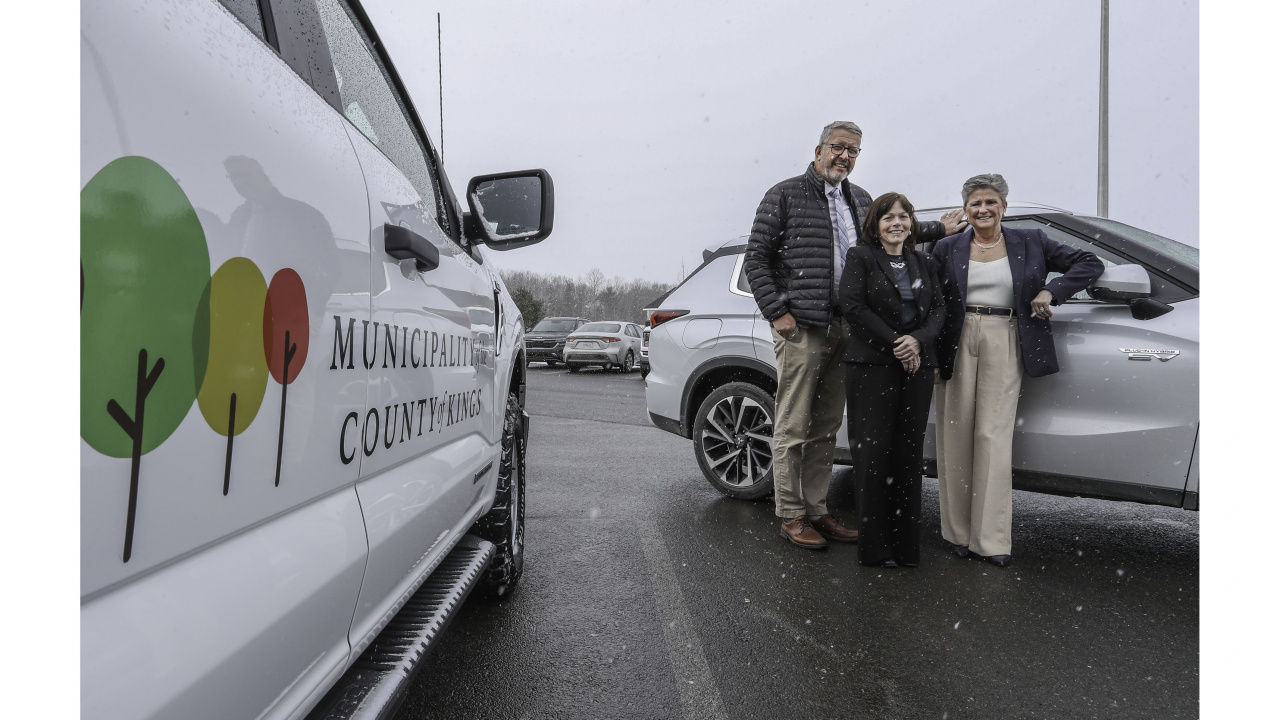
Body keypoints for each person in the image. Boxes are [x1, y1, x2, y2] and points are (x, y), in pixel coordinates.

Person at [743, 121, 964, 550]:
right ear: (819, 149)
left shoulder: (859, 198)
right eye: (838, 148)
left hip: (850, 328)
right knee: (792, 425)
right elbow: (757, 258)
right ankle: (791, 514)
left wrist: (941, 229)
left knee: (826, 426)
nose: (845, 156)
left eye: (854, 151)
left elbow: (891, 231)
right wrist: (777, 312)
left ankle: (818, 509)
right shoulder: (784, 194)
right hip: (803, 327)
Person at [931, 174, 1104, 567]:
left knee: (991, 434)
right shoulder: (946, 246)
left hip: (1006, 334)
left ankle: (989, 539)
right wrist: (929, 355)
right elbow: (930, 300)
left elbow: (1088, 262)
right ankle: (957, 534)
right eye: (975, 203)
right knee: (955, 433)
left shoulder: (1031, 240)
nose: (983, 210)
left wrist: (1052, 290)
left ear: (1004, 206)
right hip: (956, 339)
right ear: (966, 209)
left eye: (991, 202)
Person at [838, 193, 946, 567]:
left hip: (916, 365)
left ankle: (905, 548)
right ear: (876, 224)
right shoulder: (861, 257)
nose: (896, 223)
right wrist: (897, 342)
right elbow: (852, 305)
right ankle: (875, 548)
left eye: (903, 216)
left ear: (912, 223)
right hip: (871, 365)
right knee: (872, 455)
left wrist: (918, 340)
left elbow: (939, 309)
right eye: (888, 218)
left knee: (907, 454)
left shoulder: (923, 261)